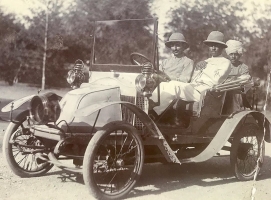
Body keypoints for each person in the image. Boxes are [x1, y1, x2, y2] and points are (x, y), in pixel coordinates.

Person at [150, 31, 232, 125]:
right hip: (195, 88)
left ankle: (153, 114)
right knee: (165, 84)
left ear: (222, 47)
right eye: (211, 45)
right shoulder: (205, 61)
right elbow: (194, 78)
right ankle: (150, 107)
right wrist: (198, 69)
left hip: (207, 92)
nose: (213, 48)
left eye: (216, 45)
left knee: (174, 85)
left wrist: (201, 72)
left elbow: (215, 80)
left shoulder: (225, 62)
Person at [222, 39, 251, 113]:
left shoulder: (243, 67)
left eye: (236, 54)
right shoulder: (223, 65)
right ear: (228, 54)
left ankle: (233, 114)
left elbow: (243, 83)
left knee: (233, 93)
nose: (233, 57)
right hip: (222, 91)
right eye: (231, 54)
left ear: (240, 55)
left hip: (238, 94)